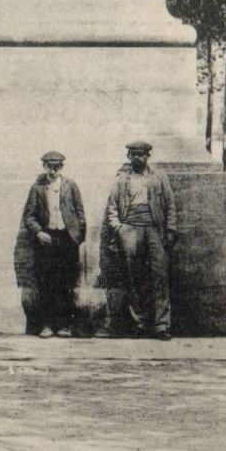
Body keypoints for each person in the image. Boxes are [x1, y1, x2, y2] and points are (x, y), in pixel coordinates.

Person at [100, 140, 176, 339]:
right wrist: (120, 228)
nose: (137, 158)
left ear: (147, 156)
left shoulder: (159, 177)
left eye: (141, 154)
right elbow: (112, 207)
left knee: (160, 275)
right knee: (134, 277)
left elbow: (170, 205)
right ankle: (139, 323)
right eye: (133, 154)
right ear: (128, 157)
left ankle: (161, 325)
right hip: (130, 229)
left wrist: (170, 230)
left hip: (154, 229)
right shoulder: (121, 179)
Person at [13, 151, 86, 336]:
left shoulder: (70, 186)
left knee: (65, 282)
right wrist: (39, 232)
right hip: (46, 240)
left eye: (57, 167)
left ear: (62, 167)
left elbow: (79, 212)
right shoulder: (37, 187)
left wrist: (77, 236)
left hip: (66, 239)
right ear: (44, 166)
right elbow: (28, 216)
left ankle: (63, 326)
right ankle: (46, 325)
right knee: (46, 283)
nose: (53, 171)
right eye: (49, 167)